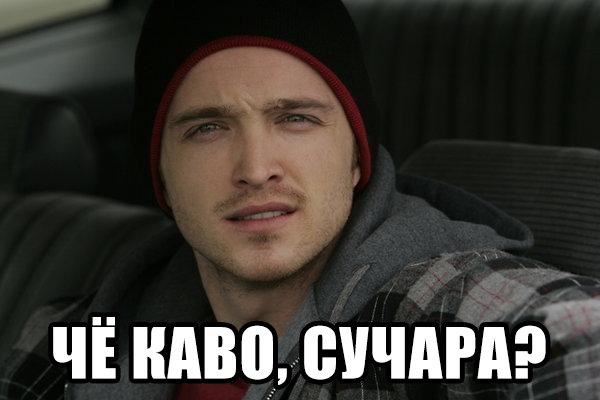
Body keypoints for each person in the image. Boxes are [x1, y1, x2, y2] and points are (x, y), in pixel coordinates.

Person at [2, 0, 600, 399]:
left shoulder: (445, 311)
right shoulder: (77, 339)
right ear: (161, 173)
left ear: (358, 156)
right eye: (207, 128)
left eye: (295, 119)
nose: (255, 169)